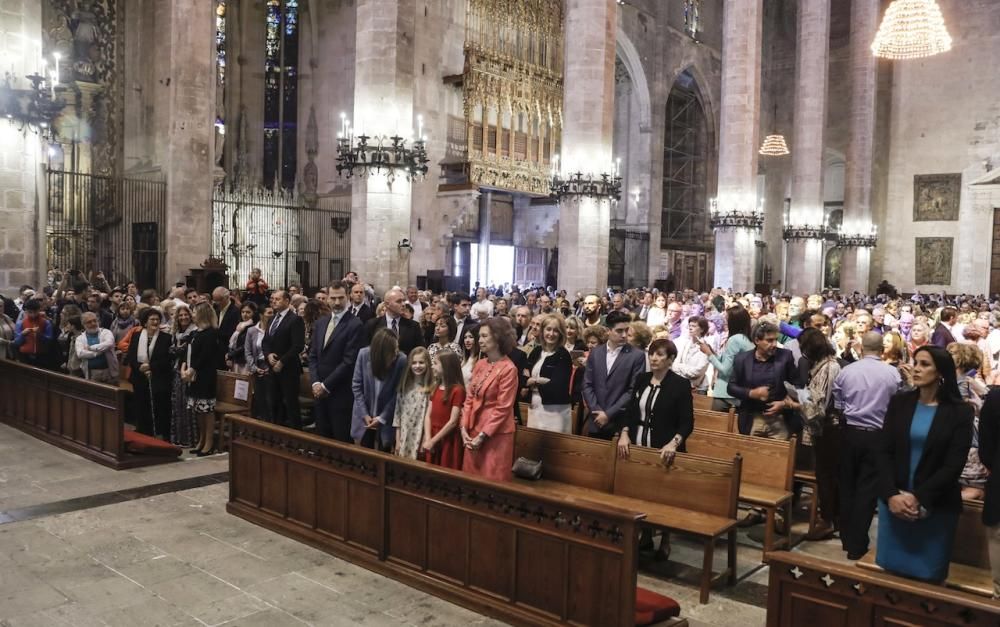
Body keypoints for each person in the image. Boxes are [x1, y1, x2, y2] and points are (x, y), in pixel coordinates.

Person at [875, 346, 973, 582]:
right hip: (895, 502)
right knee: (889, 579)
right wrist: (892, 495)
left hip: (935, 504)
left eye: (925, 364)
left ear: (941, 372)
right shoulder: (900, 402)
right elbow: (883, 451)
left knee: (928, 581)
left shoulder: (960, 412)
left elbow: (953, 465)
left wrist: (918, 497)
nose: (916, 369)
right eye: (916, 362)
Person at [615, 337, 693, 560]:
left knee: (664, 497)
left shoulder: (680, 384)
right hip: (639, 444)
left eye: (660, 355)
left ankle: (665, 540)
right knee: (641, 493)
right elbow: (630, 411)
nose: (654, 358)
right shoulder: (642, 379)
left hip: (663, 448)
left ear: (670, 359)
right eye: (652, 353)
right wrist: (624, 433)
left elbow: (687, 422)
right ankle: (646, 537)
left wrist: (674, 443)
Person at [833, 331, 902, 560]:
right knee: (867, 490)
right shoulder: (892, 374)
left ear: (861, 349)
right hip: (878, 436)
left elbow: (838, 404)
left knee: (847, 487)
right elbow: (898, 405)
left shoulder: (847, 371)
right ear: (882, 350)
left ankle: (846, 538)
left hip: (850, 433)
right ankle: (857, 544)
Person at [796, 328, 842, 540]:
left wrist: (797, 402)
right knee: (824, 474)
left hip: (828, 429)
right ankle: (830, 517)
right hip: (822, 429)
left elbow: (820, 404)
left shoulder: (830, 367)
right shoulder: (821, 365)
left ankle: (828, 519)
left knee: (827, 475)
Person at [460, 317, 519, 481]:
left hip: (495, 434)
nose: (480, 340)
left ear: (498, 338)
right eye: (479, 336)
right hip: (473, 428)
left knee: (491, 481)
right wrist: (463, 427)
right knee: (469, 481)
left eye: (484, 336)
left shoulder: (509, 369)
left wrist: (483, 435)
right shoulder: (480, 364)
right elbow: (469, 398)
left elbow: (503, 408)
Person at [308, 281, 364, 442]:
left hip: (340, 393)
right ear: (327, 298)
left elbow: (349, 362)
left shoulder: (355, 324)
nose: (337, 302)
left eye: (341, 298)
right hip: (319, 392)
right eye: (333, 298)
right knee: (322, 438)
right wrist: (315, 382)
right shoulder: (321, 323)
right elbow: (313, 355)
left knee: (340, 440)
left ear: (348, 297)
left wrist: (326, 386)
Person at [582, 311, 647, 440]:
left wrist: (608, 414)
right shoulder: (596, 352)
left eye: (626, 330)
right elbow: (587, 384)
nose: (624, 335)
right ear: (608, 331)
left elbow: (633, 390)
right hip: (596, 419)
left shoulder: (637, 356)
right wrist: (596, 410)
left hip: (619, 423)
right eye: (619, 331)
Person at [727, 321, 799, 438]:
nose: (774, 344)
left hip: (779, 420)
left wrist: (785, 404)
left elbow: (798, 386)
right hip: (752, 418)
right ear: (757, 340)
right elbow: (731, 387)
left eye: (776, 340)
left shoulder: (785, 356)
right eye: (769, 340)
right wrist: (752, 393)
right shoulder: (743, 359)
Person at [352, 328, 408, 450]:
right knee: (362, 454)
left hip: (386, 420)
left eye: (397, 348)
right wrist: (365, 414)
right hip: (364, 418)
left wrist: (382, 417)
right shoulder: (364, 354)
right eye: (393, 350)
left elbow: (398, 393)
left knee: (384, 455)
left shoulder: (401, 360)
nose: (396, 353)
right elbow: (356, 386)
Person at [126, 308, 173, 438]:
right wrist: (139, 367)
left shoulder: (166, 338)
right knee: (141, 405)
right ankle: (143, 432)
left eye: (157, 319)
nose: (155, 322)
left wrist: (151, 367)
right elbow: (131, 355)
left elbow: (167, 359)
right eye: (152, 319)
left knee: (159, 407)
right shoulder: (136, 336)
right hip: (139, 377)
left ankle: (160, 433)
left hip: (158, 378)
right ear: (145, 322)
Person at [262, 290, 305, 429]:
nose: (274, 301)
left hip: (289, 369)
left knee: (290, 404)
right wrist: (268, 354)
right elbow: (265, 341)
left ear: (287, 301)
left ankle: (296, 435)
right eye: (272, 299)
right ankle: (277, 432)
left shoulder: (295, 319)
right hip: (272, 367)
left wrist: (282, 361)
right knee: (274, 403)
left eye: (277, 299)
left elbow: (298, 345)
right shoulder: (272, 319)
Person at [525, 314, 574, 433]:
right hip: (534, 405)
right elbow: (524, 374)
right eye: (548, 329)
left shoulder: (563, 355)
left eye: (556, 331)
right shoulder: (536, 351)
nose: (551, 334)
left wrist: (534, 381)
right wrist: (541, 381)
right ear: (542, 331)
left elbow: (558, 385)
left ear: (561, 334)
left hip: (555, 410)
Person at [182, 303, 220, 455]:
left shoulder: (211, 333)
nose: (192, 315)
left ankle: (209, 442)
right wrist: (183, 368)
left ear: (202, 314)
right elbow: (187, 352)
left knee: (206, 410)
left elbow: (205, 355)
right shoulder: (194, 333)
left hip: (205, 375)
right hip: (193, 376)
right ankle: (201, 439)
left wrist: (192, 369)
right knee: (198, 410)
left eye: (194, 312)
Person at [701, 305, 754, 413]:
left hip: (726, 394)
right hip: (736, 393)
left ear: (734, 322)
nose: (724, 322)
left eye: (726, 319)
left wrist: (709, 354)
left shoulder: (735, 340)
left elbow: (725, 370)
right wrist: (712, 352)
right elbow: (727, 363)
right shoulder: (745, 339)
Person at [423, 351, 466, 470]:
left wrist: (433, 441)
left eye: (435, 363)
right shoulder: (436, 387)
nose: (432, 366)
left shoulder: (457, 390)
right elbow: (428, 415)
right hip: (433, 435)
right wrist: (428, 438)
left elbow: (453, 421)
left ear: (446, 366)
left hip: (447, 438)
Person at [393, 347, 432, 459]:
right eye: (414, 363)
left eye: (421, 362)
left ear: (427, 364)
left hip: (420, 436)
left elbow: (429, 417)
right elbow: (397, 415)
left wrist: (425, 439)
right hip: (404, 435)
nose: (417, 366)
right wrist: (397, 440)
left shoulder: (431, 388)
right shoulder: (404, 386)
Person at [169, 304, 198, 447]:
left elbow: (180, 351)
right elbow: (172, 351)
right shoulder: (175, 333)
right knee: (177, 404)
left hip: (189, 372)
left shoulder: (194, 332)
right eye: (180, 315)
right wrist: (175, 349)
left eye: (186, 314)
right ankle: (178, 437)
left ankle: (190, 439)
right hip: (176, 371)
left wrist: (175, 349)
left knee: (188, 404)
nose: (183, 317)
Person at [365, 288, 424, 355]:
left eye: (404, 301)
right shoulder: (372, 325)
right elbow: (367, 351)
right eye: (399, 301)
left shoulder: (413, 326)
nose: (403, 304)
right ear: (387, 304)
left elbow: (419, 351)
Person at [246, 304, 274, 422]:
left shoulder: (274, 329)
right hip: (257, 366)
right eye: (269, 313)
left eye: (273, 313)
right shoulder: (252, 330)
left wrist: (269, 367)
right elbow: (248, 351)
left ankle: (271, 424)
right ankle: (261, 423)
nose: (272, 315)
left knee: (270, 399)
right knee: (259, 397)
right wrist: (254, 367)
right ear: (261, 315)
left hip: (271, 366)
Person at [75, 311, 119, 384]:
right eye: (89, 322)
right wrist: (96, 353)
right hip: (92, 373)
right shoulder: (80, 338)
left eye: (95, 321)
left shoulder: (106, 332)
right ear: (83, 324)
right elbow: (80, 353)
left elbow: (109, 344)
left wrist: (90, 348)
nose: (93, 323)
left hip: (109, 371)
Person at [13, 299, 55, 369]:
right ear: (26, 311)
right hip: (24, 355)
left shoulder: (46, 323)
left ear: (39, 310)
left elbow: (49, 340)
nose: (33, 315)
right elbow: (16, 342)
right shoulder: (20, 323)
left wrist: (40, 335)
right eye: (30, 312)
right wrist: (22, 334)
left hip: (41, 355)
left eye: (35, 312)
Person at [672, 316, 711, 392]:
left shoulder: (706, 347)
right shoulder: (685, 344)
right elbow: (674, 366)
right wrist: (683, 368)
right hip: (681, 385)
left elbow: (696, 372)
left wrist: (680, 367)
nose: (690, 328)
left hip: (697, 389)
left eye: (694, 326)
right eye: (689, 325)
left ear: (702, 329)